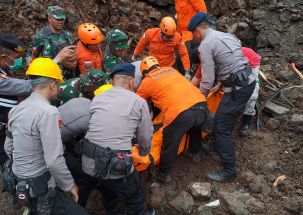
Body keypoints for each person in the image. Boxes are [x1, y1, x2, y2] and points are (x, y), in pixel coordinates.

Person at [4, 58, 89, 215]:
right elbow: (54, 159)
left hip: (18, 183)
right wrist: (70, 185)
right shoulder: (49, 112)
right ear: (53, 85)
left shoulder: (16, 109)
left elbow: (8, 147)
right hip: (39, 186)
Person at [188, 12, 256, 182]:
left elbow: (207, 79)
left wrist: (197, 98)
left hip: (237, 88)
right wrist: (222, 82)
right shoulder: (226, 35)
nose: (194, 38)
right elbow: (232, 60)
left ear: (197, 31)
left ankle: (229, 170)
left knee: (221, 126)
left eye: (192, 34)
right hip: (248, 81)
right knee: (225, 119)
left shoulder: (205, 45)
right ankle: (219, 144)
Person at [78, 63, 153, 214]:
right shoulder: (138, 101)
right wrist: (144, 152)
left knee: (108, 190)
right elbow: (145, 135)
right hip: (114, 166)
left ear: (112, 81)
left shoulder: (98, 98)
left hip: (87, 161)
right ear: (131, 81)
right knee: (136, 196)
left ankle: (114, 209)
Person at [137, 56, 207, 182]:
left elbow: (136, 103)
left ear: (144, 72)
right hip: (201, 104)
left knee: (170, 142)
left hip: (180, 112)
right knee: (195, 129)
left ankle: (164, 174)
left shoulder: (147, 81)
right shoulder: (171, 70)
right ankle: (195, 153)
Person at [0, 32, 33, 166]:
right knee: (8, 161)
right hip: (2, 132)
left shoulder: (4, 68)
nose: (19, 60)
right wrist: (55, 62)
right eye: (17, 58)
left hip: (7, 124)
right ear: (3, 57)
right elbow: (28, 87)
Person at [30, 5, 77, 79]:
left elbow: (71, 55)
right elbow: (30, 60)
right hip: (49, 78)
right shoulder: (40, 37)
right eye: (57, 19)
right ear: (49, 19)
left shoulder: (67, 36)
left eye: (62, 19)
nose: (60, 22)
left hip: (67, 78)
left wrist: (72, 62)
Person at [239, 47, 261, 136]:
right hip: (232, 67)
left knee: (252, 95)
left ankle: (247, 120)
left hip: (251, 65)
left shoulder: (249, 54)